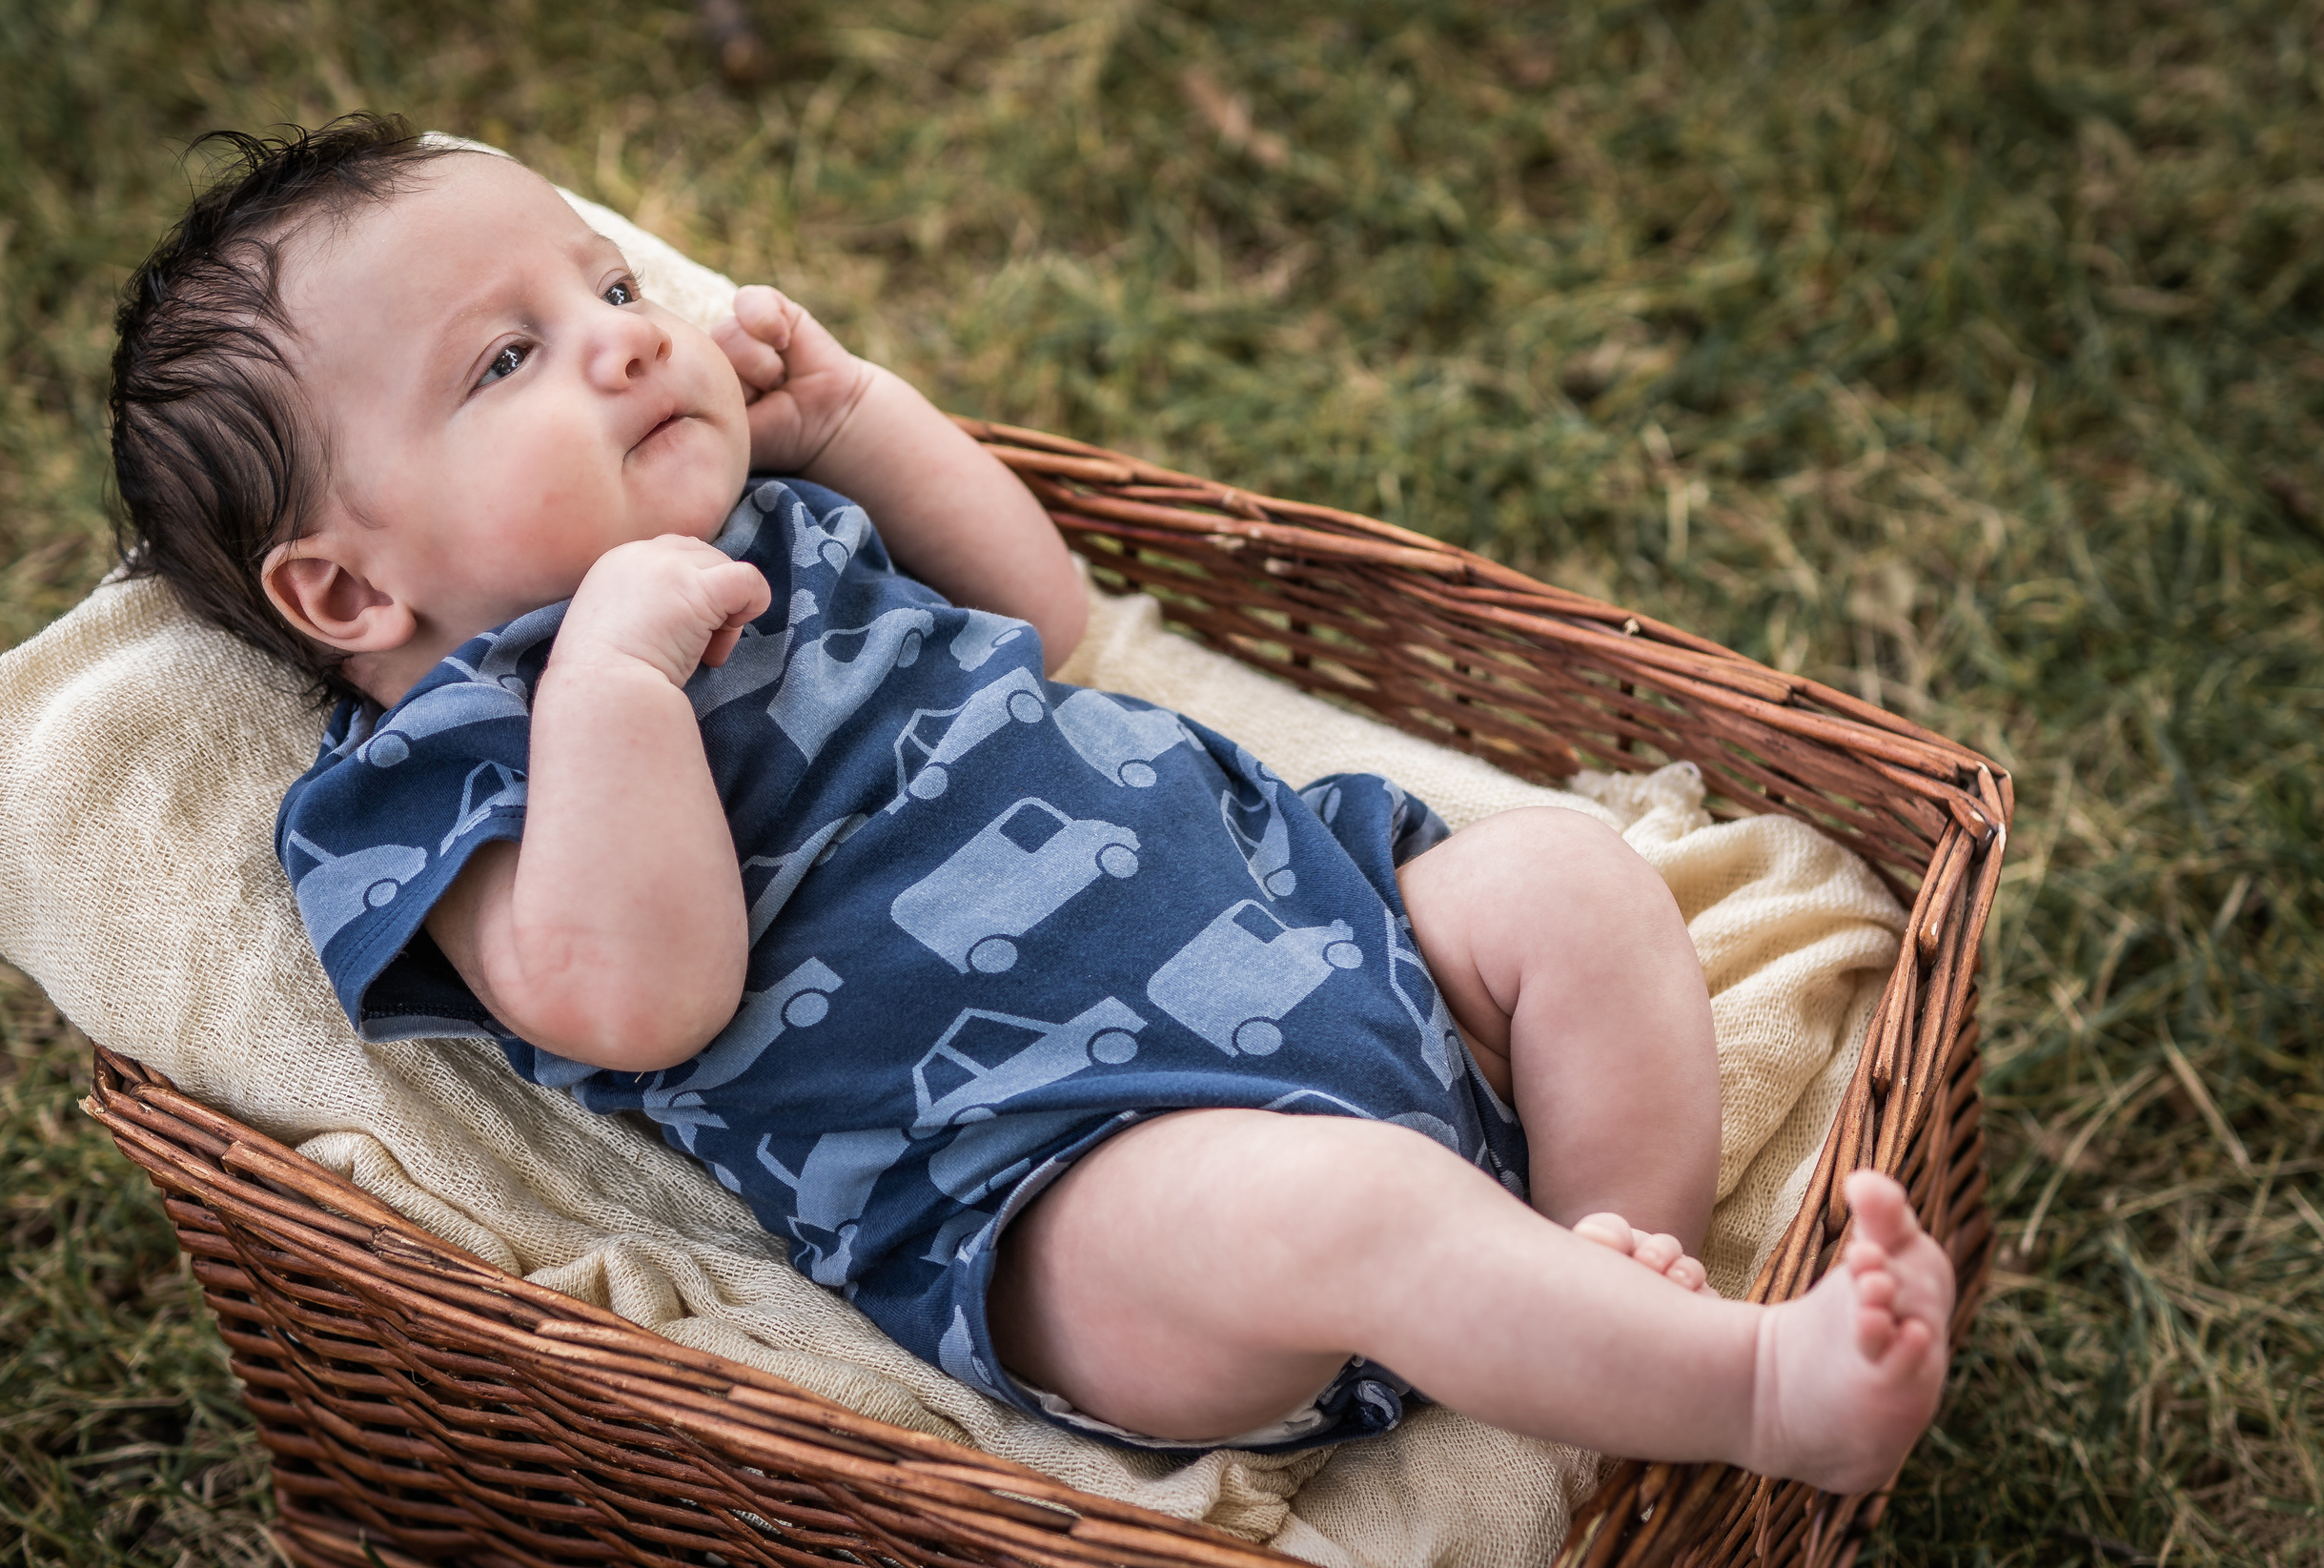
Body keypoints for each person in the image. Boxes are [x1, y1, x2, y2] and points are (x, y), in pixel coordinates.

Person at [109, 115, 1952, 1492]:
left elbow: (1049, 623)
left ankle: (1595, 1262)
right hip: (1071, 1188)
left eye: (604, 286)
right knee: (1352, 1212)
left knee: (1571, 884)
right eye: (506, 360)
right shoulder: (435, 775)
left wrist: (854, 425)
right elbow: (632, 996)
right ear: (347, 595)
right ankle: (1755, 1399)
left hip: (1326, 931)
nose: (626, 337)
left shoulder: (757, 523)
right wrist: (609, 682)